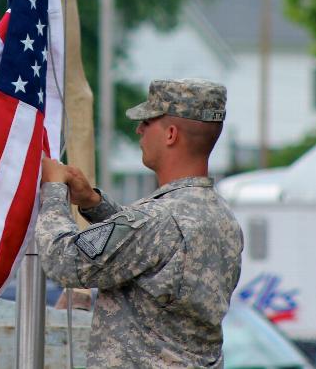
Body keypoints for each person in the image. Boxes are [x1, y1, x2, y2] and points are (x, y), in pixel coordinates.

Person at [35, 78, 244, 368]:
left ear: (170, 134)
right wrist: (93, 204)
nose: (139, 130)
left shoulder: (157, 219)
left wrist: (54, 189)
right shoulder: (222, 217)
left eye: (148, 122)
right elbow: (146, 252)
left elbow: (63, 261)